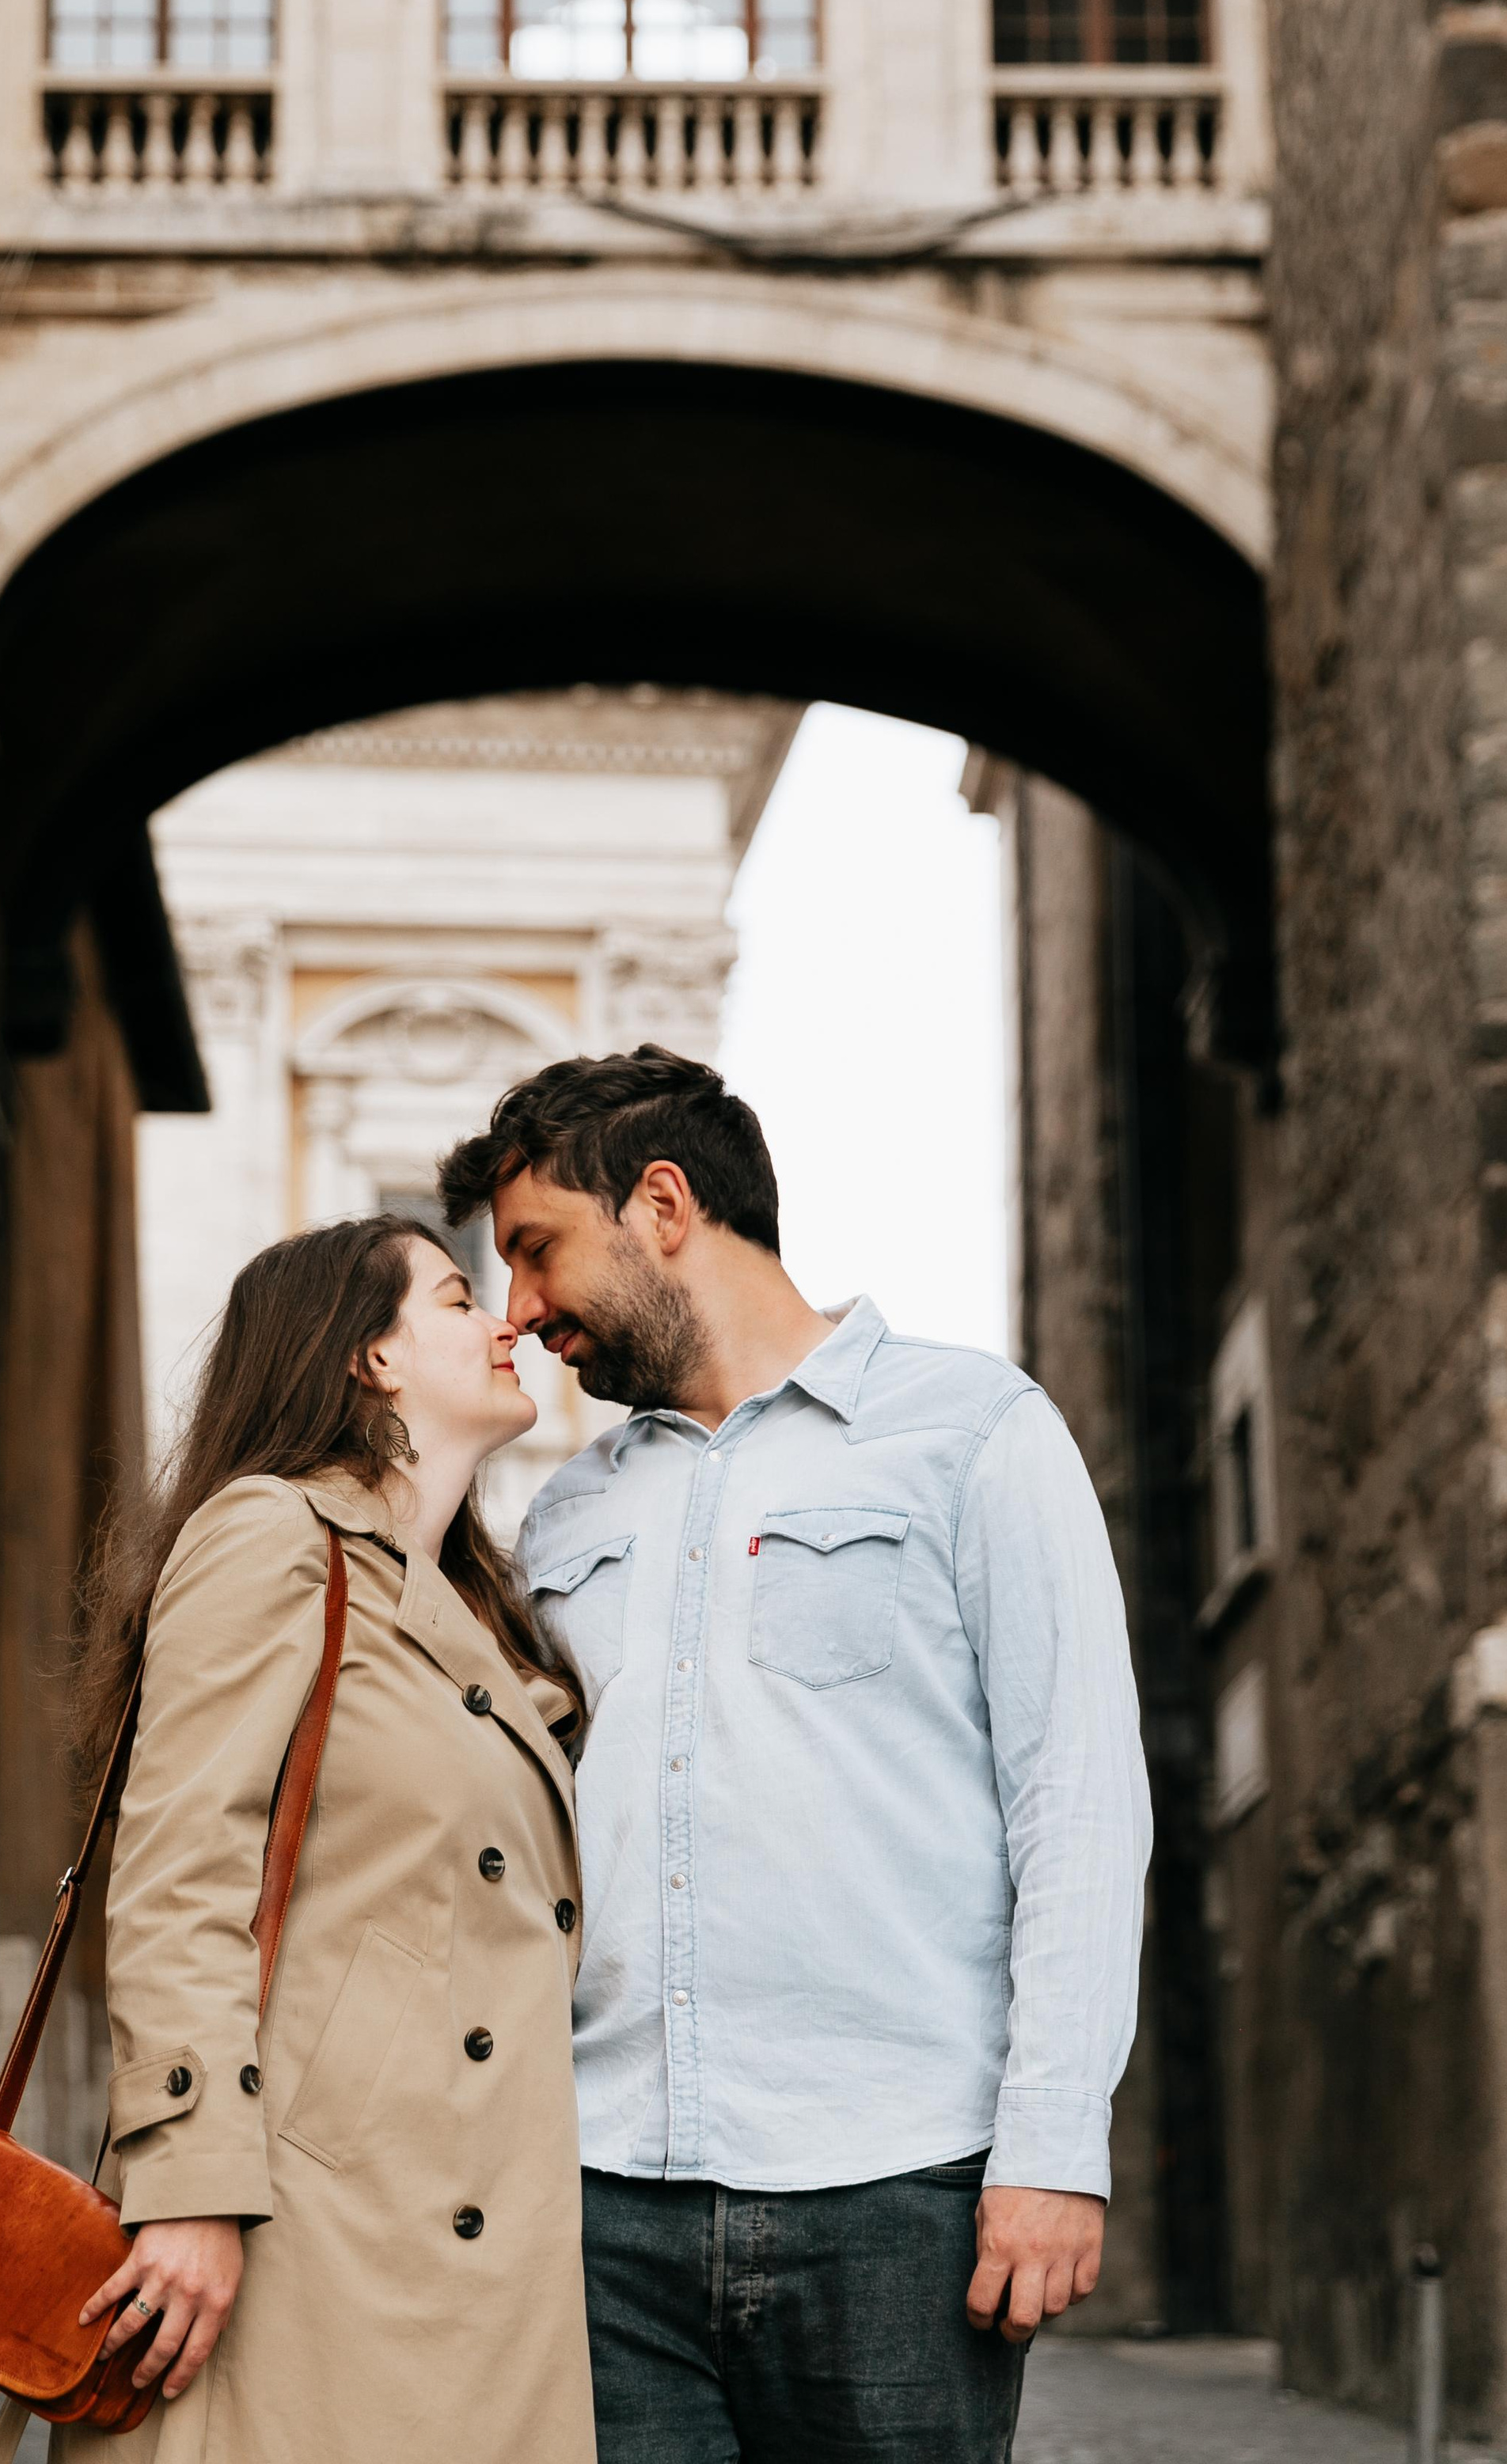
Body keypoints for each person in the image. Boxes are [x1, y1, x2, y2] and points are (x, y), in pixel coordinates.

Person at [438, 1045, 1152, 2464]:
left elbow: (1076, 1805)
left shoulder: (975, 1435)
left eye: (535, 1250)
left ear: (661, 1205)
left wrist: (1055, 2148)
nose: (520, 1311)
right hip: (601, 2202)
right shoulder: (567, 1514)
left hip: (897, 2195)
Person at [54, 1216, 594, 2464]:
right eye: (457, 1299)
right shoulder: (271, 1534)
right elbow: (180, 1876)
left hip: (479, 2236)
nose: (505, 1321)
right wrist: (191, 2183)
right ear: (371, 1356)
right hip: (307, 2228)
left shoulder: (488, 1620)